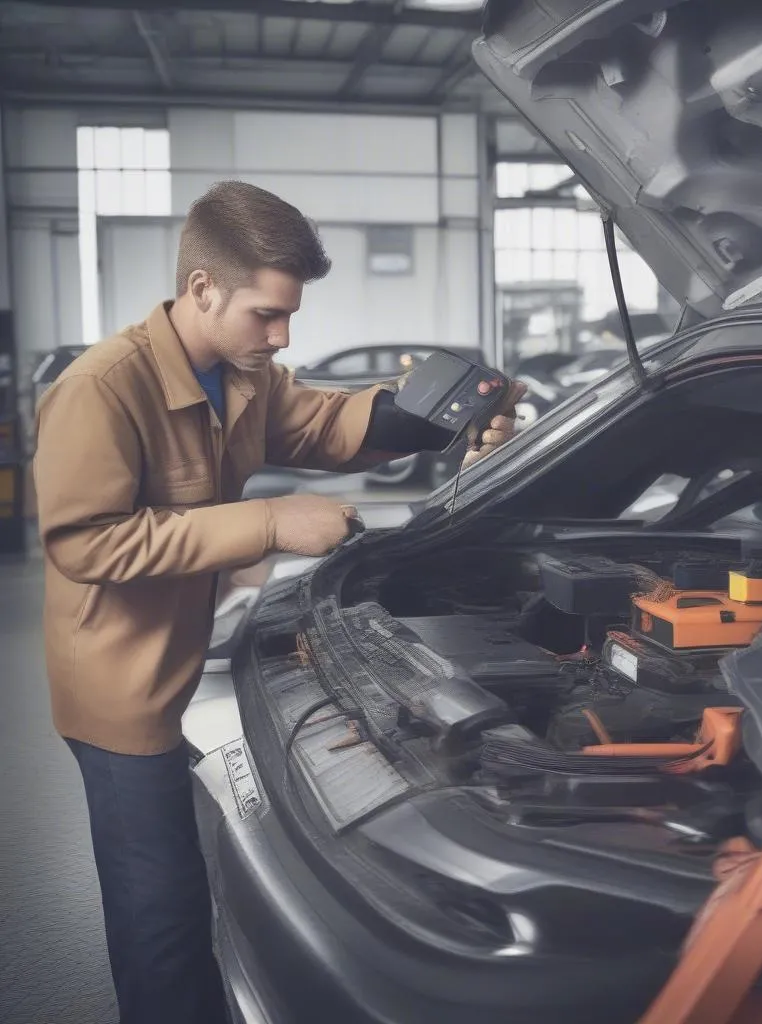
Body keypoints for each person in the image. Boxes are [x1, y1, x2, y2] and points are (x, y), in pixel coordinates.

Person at [32, 180, 525, 1024]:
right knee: (164, 912)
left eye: (290, 315)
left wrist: (443, 413)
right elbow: (85, 542)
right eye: (267, 314)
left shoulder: (242, 374)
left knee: (190, 877)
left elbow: (326, 423)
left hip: (181, 654)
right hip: (120, 687)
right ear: (201, 289)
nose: (284, 334)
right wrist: (267, 522)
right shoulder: (103, 389)